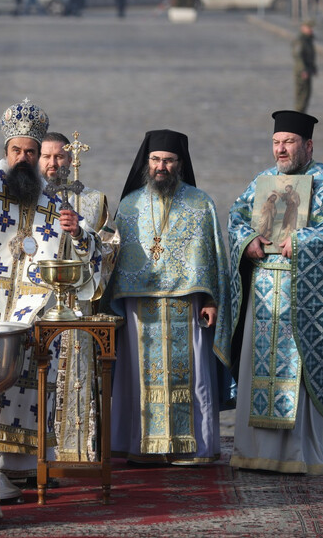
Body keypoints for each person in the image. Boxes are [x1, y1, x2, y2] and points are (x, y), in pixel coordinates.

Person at [0, 86, 103, 497]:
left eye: (31, 152)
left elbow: (87, 257)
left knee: (26, 387)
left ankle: (19, 467)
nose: (24, 159)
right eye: (17, 151)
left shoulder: (54, 203)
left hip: (31, 312)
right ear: (7, 149)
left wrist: (79, 234)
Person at [227, 111, 323, 475]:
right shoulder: (263, 181)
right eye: (276, 143)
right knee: (258, 371)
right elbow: (237, 217)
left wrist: (300, 241)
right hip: (263, 293)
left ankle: (303, 454)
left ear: (308, 145)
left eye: (289, 142)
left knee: (298, 374)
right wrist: (248, 240)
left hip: (304, 296)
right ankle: (256, 451)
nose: (281, 150)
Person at [104, 129, 232, 465]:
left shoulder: (200, 204)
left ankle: (191, 447)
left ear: (180, 163)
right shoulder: (130, 206)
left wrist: (212, 300)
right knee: (138, 377)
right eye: (156, 160)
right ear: (147, 162)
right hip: (138, 310)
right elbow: (115, 263)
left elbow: (214, 260)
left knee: (193, 378)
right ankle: (142, 446)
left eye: (169, 160)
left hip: (187, 307)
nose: (162, 166)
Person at [38, 131, 117, 462]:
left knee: (77, 375)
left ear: (71, 159)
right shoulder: (28, 198)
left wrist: (82, 235)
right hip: (38, 304)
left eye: (60, 156)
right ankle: (35, 452)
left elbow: (111, 248)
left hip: (78, 305)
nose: (54, 163)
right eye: (47, 157)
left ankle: (74, 450)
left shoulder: (93, 201)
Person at [293, 20, 317, 113]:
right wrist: (303, 70)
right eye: (309, 27)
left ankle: (302, 114)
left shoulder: (308, 39)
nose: (311, 30)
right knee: (301, 94)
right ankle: (298, 114)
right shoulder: (300, 41)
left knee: (307, 93)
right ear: (302, 27)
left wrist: (313, 68)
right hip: (301, 71)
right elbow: (298, 57)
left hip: (308, 70)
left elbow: (311, 56)